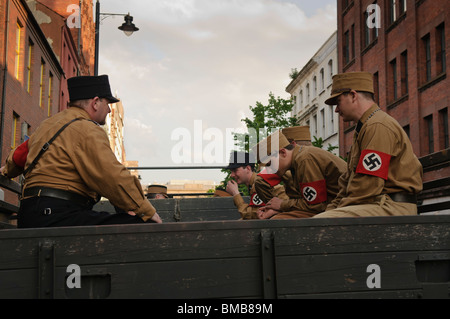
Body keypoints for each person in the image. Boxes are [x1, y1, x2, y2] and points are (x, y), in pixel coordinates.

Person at [1, 75, 162, 227]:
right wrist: (146, 210)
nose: (109, 111)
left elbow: (19, 156)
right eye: (108, 104)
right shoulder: (88, 129)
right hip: (58, 215)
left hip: (28, 214)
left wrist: (6, 171)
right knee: (141, 226)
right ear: (96, 102)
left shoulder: (47, 125)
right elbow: (112, 175)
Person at [314, 71, 423, 218]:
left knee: (320, 223)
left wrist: (334, 213)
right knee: (318, 221)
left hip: (393, 208)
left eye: (338, 102)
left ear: (353, 95)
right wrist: (332, 210)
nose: (336, 109)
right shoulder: (365, 127)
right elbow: (346, 184)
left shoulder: (377, 125)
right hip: (376, 204)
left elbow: (367, 186)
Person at [255, 130, 346, 219]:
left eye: (270, 164)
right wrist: (278, 209)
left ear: (283, 152)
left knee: (278, 220)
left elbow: (316, 205)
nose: (270, 170)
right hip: (337, 202)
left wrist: (282, 205)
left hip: (345, 203)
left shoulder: (304, 160)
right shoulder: (297, 161)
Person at [225, 151, 264, 219]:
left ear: (248, 169)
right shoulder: (253, 184)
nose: (232, 175)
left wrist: (235, 193)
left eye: (235, 170)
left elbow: (251, 216)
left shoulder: (259, 185)